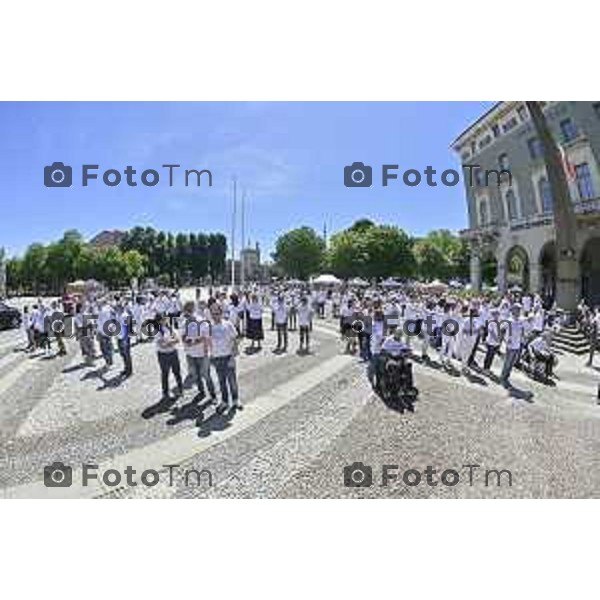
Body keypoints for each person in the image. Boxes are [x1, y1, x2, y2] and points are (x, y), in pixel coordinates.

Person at [181, 301, 217, 402]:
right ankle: (201, 392)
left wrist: (193, 343)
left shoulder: (202, 321)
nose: (186, 314)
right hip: (190, 354)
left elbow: (206, 338)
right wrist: (186, 342)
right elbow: (183, 336)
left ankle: (213, 395)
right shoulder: (185, 322)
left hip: (201, 354)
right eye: (186, 311)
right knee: (195, 376)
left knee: (206, 376)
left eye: (188, 311)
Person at [210, 304, 241, 412]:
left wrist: (233, 356)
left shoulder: (228, 324)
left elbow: (235, 340)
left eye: (217, 314)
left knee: (232, 381)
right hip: (217, 358)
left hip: (228, 357)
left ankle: (236, 400)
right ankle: (224, 402)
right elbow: (208, 343)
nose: (215, 316)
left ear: (221, 313)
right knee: (221, 381)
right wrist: (211, 357)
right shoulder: (209, 326)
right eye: (213, 314)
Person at [155, 313, 184, 400]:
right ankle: (165, 392)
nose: (166, 320)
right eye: (164, 319)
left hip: (173, 352)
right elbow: (161, 344)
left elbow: (178, 339)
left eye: (166, 318)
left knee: (177, 372)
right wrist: (172, 341)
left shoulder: (170, 328)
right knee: (165, 374)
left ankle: (180, 389)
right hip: (163, 354)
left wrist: (169, 342)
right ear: (159, 321)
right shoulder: (157, 331)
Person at [500, 304, 525, 388]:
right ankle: (503, 377)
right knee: (507, 362)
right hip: (510, 345)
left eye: (519, 309)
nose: (518, 311)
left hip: (517, 344)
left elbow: (522, 330)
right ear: (513, 310)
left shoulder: (521, 320)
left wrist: (522, 338)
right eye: (517, 309)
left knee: (511, 363)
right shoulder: (509, 320)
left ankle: (506, 377)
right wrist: (505, 340)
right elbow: (502, 330)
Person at [116, 303, 133, 378]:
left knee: (127, 354)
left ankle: (129, 370)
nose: (117, 309)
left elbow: (128, 327)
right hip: (119, 336)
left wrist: (126, 339)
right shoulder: (118, 315)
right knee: (122, 354)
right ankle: (126, 368)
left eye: (118, 308)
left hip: (124, 337)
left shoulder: (125, 316)